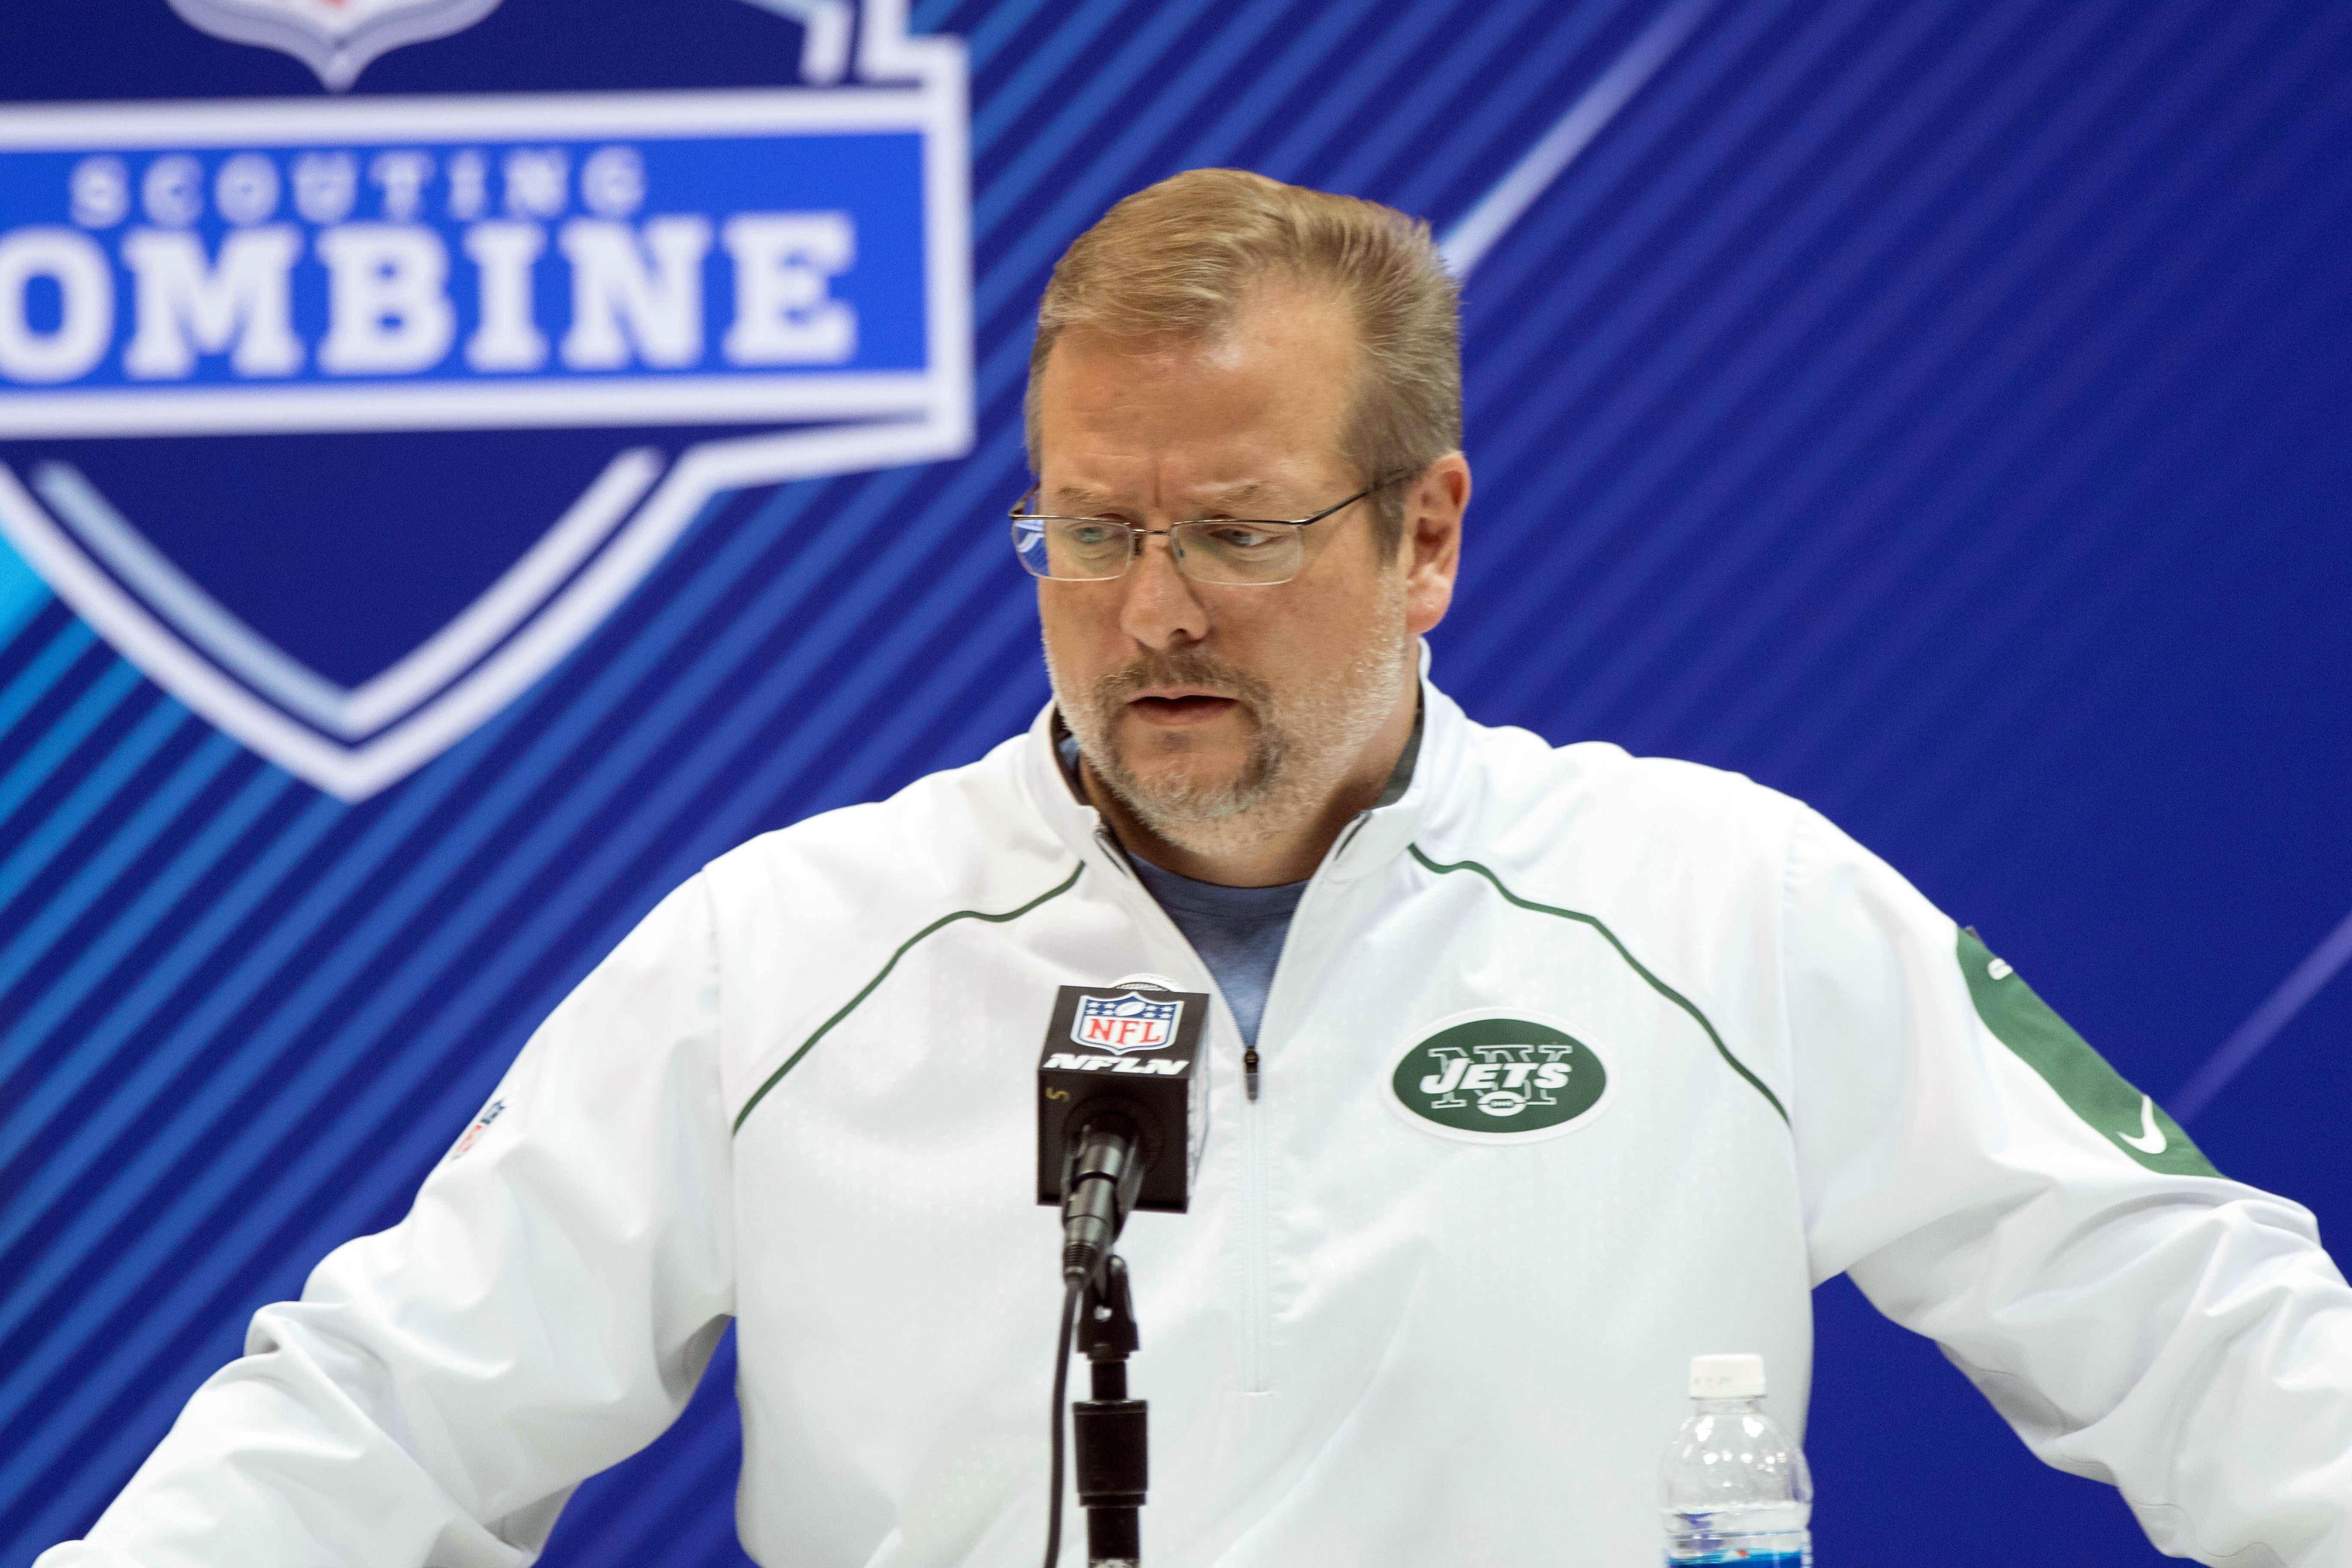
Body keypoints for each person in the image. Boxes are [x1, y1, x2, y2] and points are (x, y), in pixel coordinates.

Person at [39, 170, 2352, 1568]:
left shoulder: (1716, 905)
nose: (1148, 610)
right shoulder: (793, 957)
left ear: (1427, 531)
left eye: (1237, 534)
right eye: (1089, 530)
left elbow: (2193, 1310)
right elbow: (385, 1413)